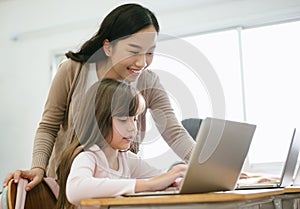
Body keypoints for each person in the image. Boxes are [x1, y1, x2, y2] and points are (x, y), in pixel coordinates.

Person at [3, 3, 195, 191]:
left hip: (116, 187)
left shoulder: (148, 82)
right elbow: (49, 125)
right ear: (108, 47)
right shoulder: (74, 70)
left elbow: (173, 131)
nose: (142, 62)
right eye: (134, 51)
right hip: (66, 185)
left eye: (150, 52)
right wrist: (38, 167)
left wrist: (204, 168)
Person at [55, 78, 187, 209]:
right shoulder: (89, 156)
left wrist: (176, 179)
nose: (133, 128)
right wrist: (148, 185)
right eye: (123, 120)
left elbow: (159, 178)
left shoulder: (127, 159)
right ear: (99, 121)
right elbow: (75, 190)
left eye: (134, 119)